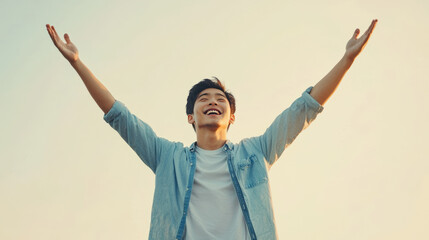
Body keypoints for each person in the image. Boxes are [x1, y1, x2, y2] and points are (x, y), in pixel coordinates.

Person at [46, 19, 377, 240]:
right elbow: (120, 116)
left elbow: (303, 110)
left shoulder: (255, 153)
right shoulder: (166, 156)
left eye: (221, 99)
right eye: (203, 99)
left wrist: (346, 60)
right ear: (190, 116)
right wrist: (77, 63)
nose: (212, 102)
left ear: (232, 116)